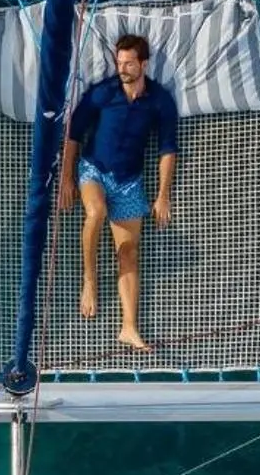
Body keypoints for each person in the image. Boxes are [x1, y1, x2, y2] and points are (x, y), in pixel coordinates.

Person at [57, 33, 178, 351]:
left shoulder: (160, 100)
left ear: (144, 64)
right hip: (94, 169)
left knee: (129, 255)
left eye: (128, 63)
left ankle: (128, 328)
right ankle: (90, 280)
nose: (121, 68)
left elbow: (167, 149)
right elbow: (73, 134)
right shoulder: (102, 92)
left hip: (130, 182)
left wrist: (163, 194)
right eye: (119, 62)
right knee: (96, 212)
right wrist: (67, 178)